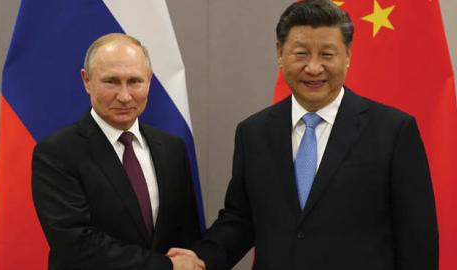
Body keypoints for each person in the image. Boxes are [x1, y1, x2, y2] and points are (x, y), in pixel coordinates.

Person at [168, 0, 438, 269]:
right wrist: (201, 258)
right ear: (280, 53)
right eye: (301, 54)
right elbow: (241, 219)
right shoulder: (253, 133)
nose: (313, 68)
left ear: (348, 55)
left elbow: (417, 238)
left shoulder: (393, 131)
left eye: (327, 54)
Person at [32, 33, 205, 270]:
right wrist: (167, 266)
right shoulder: (56, 153)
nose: (124, 96)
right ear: (87, 80)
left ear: (150, 80)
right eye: (111, 81)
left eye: (135, 81)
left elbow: (186, 234)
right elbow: (77, 246)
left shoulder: (172, 148)